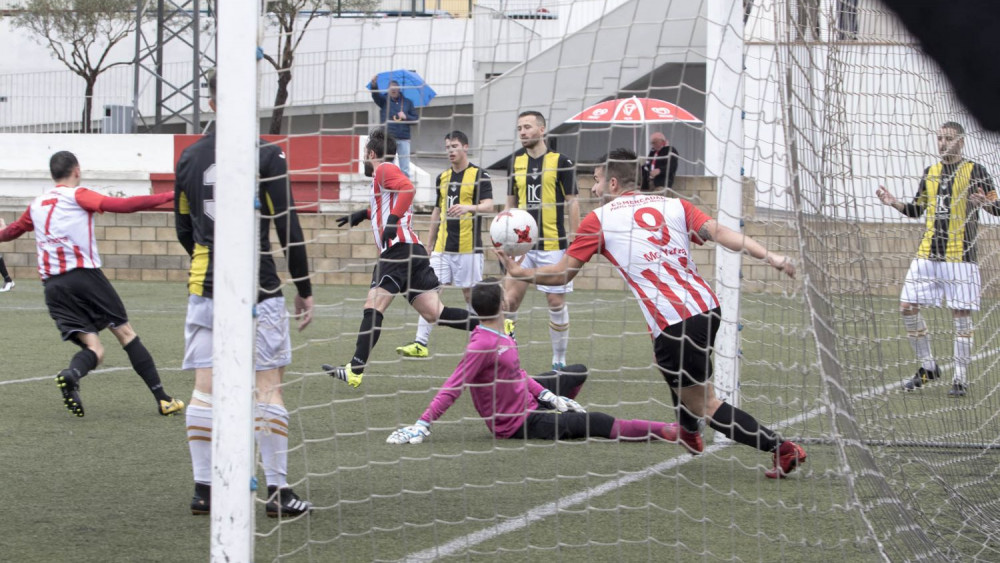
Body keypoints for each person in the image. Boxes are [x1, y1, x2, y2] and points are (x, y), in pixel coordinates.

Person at [499, 148, 807, 479]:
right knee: (672, 369)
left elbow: (561, 275)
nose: (593, 188)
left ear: (614, 182)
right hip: (706, 306)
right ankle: (688, 430)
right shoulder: (673, 204)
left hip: (673, 320)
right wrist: (769, 255)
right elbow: (719, 233)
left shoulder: (599, 219)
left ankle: (782, 448)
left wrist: (520, 273)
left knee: (706, 404)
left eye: (598, 180)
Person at [174, 70, 314, 518]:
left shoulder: (190, 157)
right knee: (267, 388)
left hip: (206, 286)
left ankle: (204, 490)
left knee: (204, 390)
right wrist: (304, 288)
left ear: (212, 103)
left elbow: (183, 226)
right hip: (259, 288)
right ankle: (277, 491)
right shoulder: (267, 155)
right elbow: (287, 226)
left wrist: (208, 259)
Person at [387, 278, 686, 447]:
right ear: (502, 304)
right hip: (516, 422)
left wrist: (547, 395)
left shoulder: (499, 331)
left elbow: (517, 373)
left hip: (528, 399)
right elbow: (453, 387)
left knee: (576, 372)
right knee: (594, 422)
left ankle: (556, 406)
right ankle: (666, 430)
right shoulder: (482, 343)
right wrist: (422, 423)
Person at [0, 151, 184, 419]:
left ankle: (71, 374)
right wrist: (170, 196)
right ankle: (163, 399)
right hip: (84, 277)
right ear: (77, 170)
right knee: (126, 334)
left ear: (53, 175)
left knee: (94, 348)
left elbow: (11, 232)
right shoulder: (78, 195)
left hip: (53, 286)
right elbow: (126, 205)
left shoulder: (36, 204)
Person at [324, 128, 479, 387]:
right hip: (413, 252)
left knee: (373, 306)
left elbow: (407, 189)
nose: (364, 158)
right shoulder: (384, 177)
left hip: (397, 252)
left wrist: (393, 221)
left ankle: (355, 369)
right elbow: (388, 200)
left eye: (365, 154)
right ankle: (496, 325)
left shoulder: (383, 169)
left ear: (371, 153)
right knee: (435, 313)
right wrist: (361, 214)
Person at [875, 121, 999, 397]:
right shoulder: (930, 172)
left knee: (961, 316)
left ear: (961, 142)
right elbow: (916, 210)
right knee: (907, 306)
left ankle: (960, 377)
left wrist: (985, 204)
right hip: (927, 256)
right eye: (940, 138)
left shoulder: (976, 171)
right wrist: (894, 202)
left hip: (961, 258)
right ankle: (928, 366)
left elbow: (997, 207)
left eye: (949, 139)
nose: (943, 143)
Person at [396, 130, 494, 358]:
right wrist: (429, 245)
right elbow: (437, 212)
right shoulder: (443, 177)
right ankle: (420, 343)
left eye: (455, 146)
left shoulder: (480, 175)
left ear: (466, 147)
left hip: (469, 248)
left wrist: (468, 208)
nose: (450, 151)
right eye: (447, 147)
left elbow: (489, 205)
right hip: (442, 248)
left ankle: (478, 344)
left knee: (471, 296)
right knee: (429, 292)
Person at [504, 110, 579, 371]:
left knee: (555, 302)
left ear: (542, 130)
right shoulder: (515, 162)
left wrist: (577, 240)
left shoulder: (562, 161)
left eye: (527, 127)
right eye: (519, 128)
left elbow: (572, 202)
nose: (523, 132)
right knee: (509, 302)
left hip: (553, 243)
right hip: (522, 245)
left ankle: (559, 360)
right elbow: (510, 203)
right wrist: (504, 235)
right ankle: (508, 359)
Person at [369, 75, 418, 178]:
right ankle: (389, 186)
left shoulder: (408, 103)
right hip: (388, 138)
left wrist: (406, 116)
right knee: (389, 165)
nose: (394, 89)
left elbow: (415, 120)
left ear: (399, 89)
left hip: (404, 138)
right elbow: (375, 96)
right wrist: (374, 85)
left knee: (404, 167)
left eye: (396, 87)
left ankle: (404, 188)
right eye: (391, 87)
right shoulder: (383, 101)